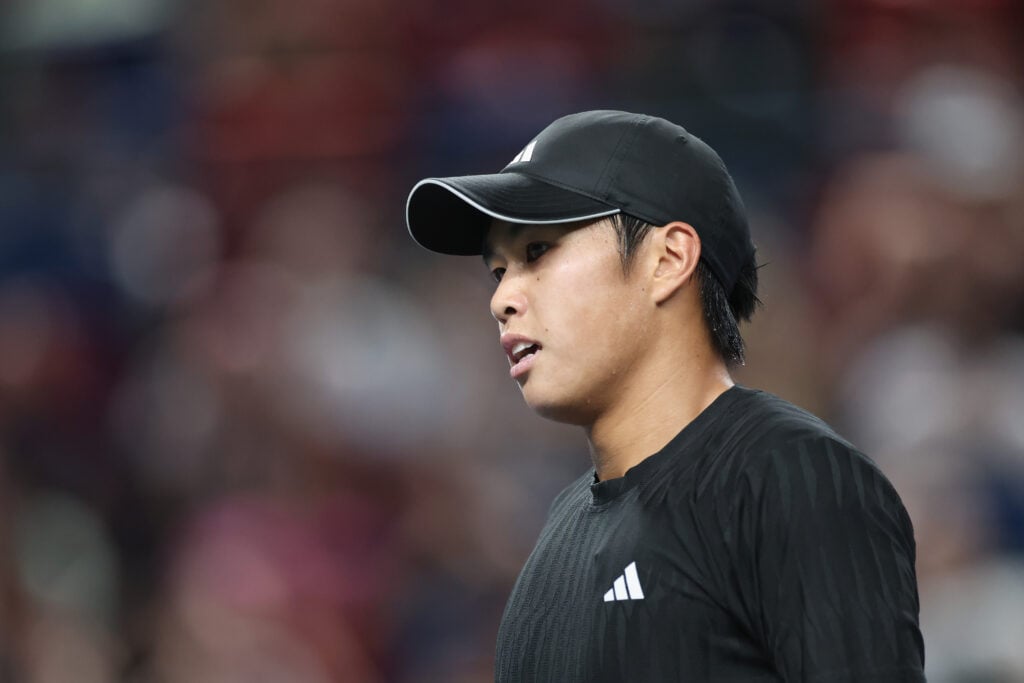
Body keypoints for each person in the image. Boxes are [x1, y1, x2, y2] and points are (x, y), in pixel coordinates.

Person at [405, 110, 925, 682]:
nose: (501, 298)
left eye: (536, 253)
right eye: (497, 270)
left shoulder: (789, 476)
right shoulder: (559, 532)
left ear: (669, 259)